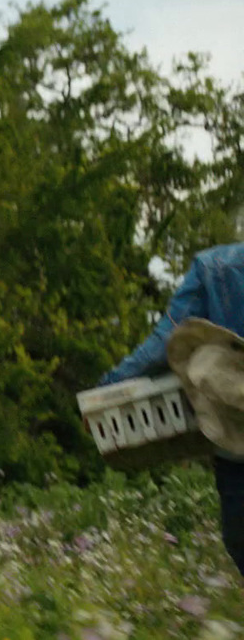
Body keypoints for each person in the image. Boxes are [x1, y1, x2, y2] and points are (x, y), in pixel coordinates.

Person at [100, 242, 244, 577]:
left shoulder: (215, 266)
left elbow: (163, 343)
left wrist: (108, 387)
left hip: (235, 442)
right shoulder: (217, 267)